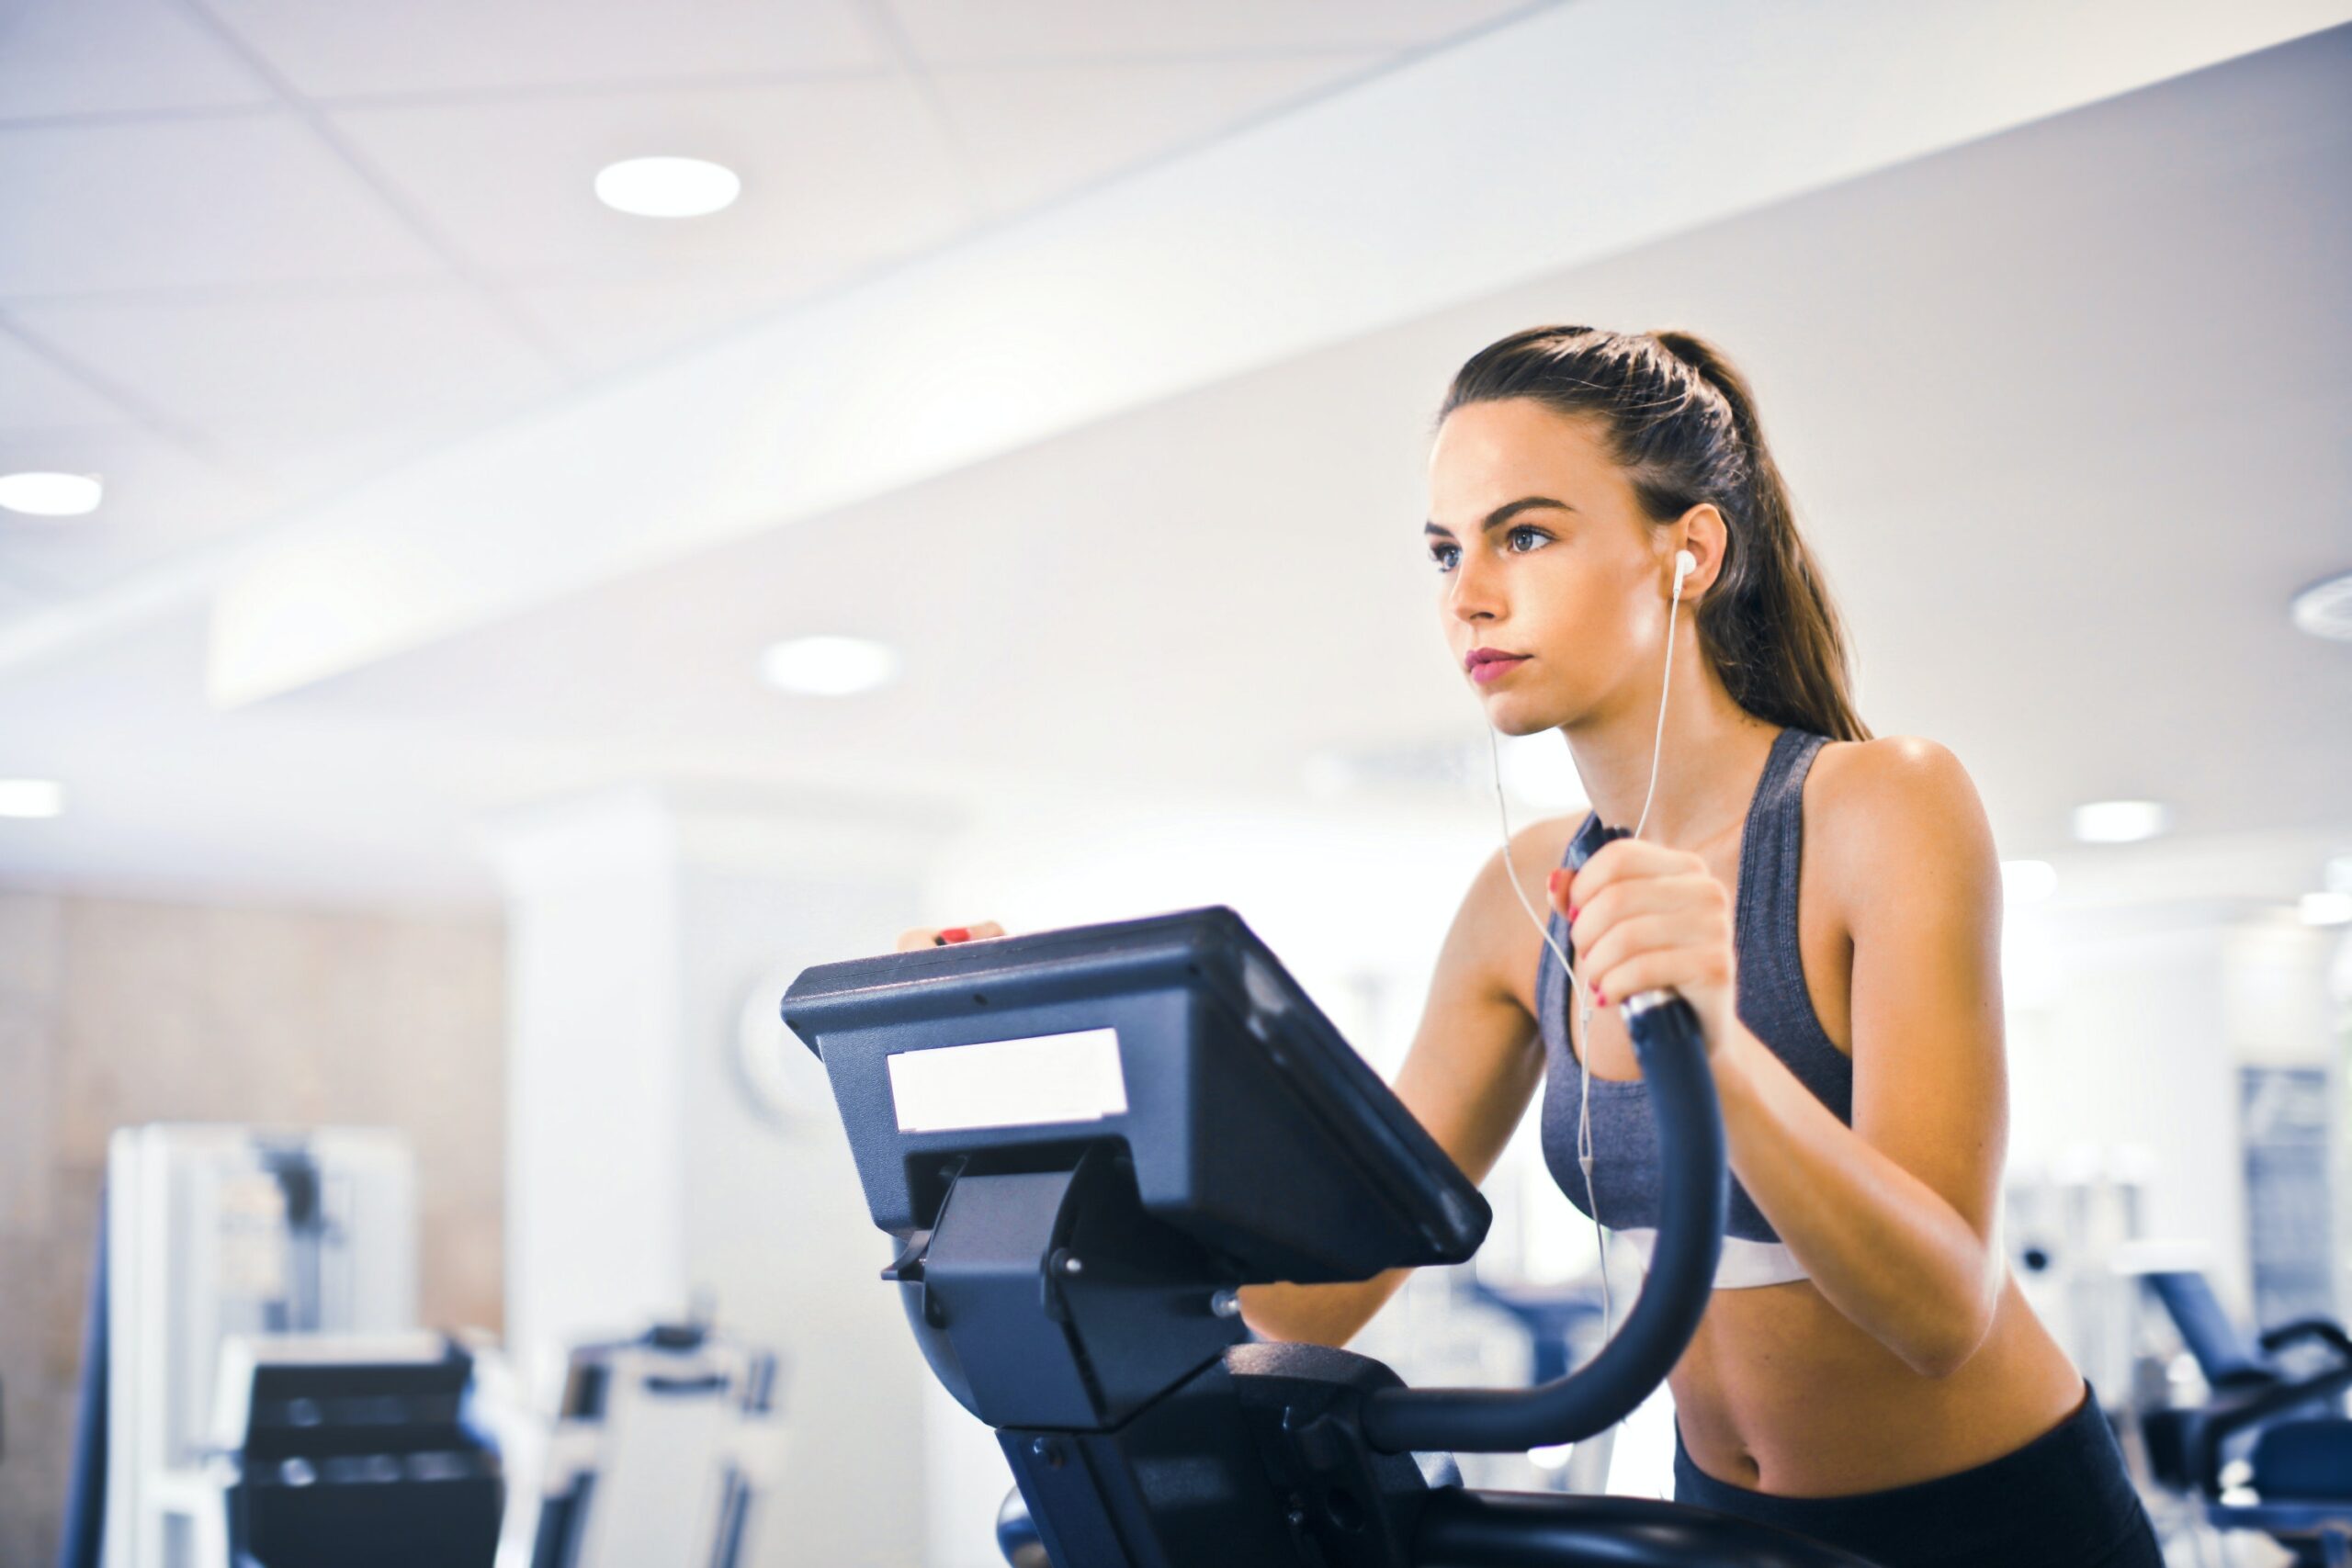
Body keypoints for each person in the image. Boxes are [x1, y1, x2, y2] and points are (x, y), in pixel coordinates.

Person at [901, 326, 2165, 1568]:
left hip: (1998, 1521)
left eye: (1526, 534)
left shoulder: (1879, 807)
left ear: (1689, 552)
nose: (1468, 594)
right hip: (1720, 1528)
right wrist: (1015, 1134)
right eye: (1447, 550)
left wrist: (1715, 1043)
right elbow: (1323, 1292)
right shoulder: (1521, 902)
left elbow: (1944, 1313)